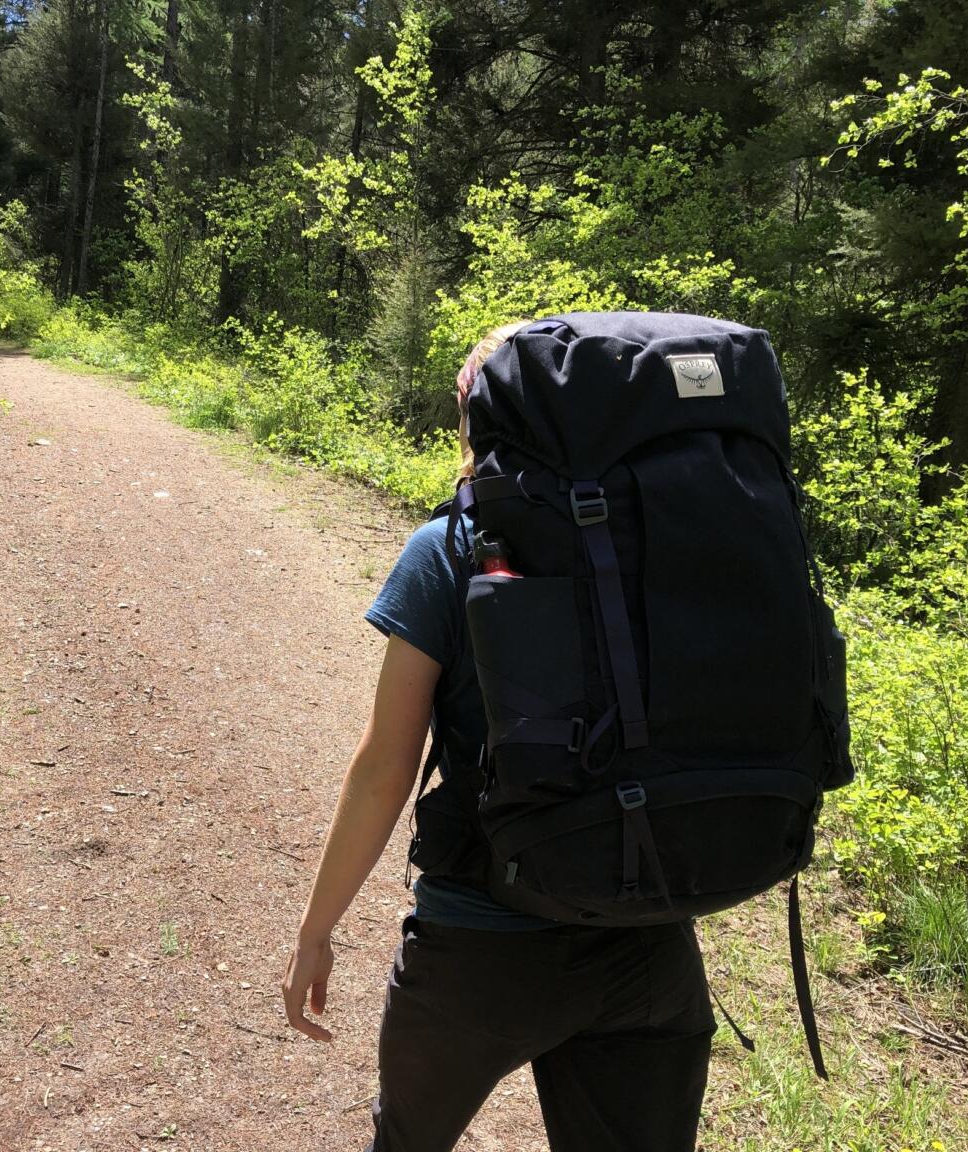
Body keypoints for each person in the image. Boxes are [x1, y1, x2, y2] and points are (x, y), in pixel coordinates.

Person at [280, 323, 718, 1152]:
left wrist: (316, 929)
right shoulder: (665, 545)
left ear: (472, 419)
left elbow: (385, 767)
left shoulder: (447, 550)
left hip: (481, 941)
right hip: (648, 951)